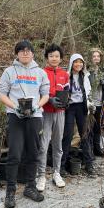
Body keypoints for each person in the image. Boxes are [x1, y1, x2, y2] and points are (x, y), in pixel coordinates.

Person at [0, 40, 50, 208]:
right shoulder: (9, 71)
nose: (25, 53)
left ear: (33, 53)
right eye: (21, 51)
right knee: (14, 154)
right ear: (17, 54)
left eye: (28, 51)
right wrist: (14, 107)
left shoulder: (41, 73)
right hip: (15, 117)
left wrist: (37, 106)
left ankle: (30, 187)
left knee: (33, 153)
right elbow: (2, 94)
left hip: (35, 117)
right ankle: (10, 191)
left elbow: (45, 95)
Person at [36, 44, 69, 192]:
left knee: (58, 144)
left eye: (57, 56)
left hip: (60, 113)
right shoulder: (41, 73)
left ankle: (57, 173)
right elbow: (37, 92)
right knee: (43, 145)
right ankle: (41, 175)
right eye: (51, 56)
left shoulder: (64, 74)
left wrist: (66, 101)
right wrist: (49, 99)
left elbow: (68, 91)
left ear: (60, 58)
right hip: (46, 112)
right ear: (47, 58)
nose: (54, 58)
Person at [60, 54, 96, 177]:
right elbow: (62, 90)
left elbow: (89, 92)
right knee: (67, 135)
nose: (78, 64)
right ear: (71, 63)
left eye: (81, 62)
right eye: (76, 62)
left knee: (84, 134)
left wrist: (90, 105)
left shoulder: (85, 76)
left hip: (82, 107)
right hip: (70, 107)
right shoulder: (66, 76)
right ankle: (62, 166)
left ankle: (89, 164)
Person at [87, 48, 104, 157]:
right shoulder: (87, 71)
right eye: (94, 56)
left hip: (100, 103)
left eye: (98, 56)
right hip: (89, 104)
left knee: (98, 127)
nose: (96, 58)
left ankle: (97, 149)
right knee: (88, 128)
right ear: (91, 58)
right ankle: (89, 150)